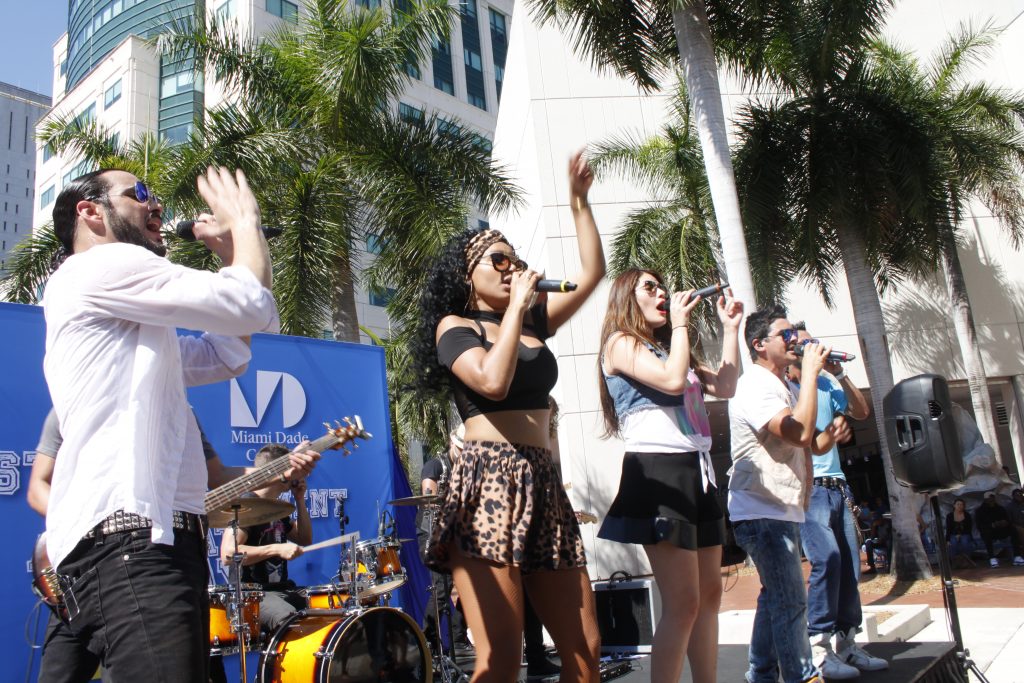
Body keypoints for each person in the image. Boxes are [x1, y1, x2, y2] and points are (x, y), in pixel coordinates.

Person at [38, 166, 317, 683]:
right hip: (132, 546)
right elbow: (249, 306)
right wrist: (245, 223)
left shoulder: (127, 323)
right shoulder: (100, 264)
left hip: (129, 546)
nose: (156, 205)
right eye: (139, 194)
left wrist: (230, 252)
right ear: (90, 211)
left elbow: (228, 351)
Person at [411, 150, 605, 682]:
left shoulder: (533, 323)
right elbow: (492, 382)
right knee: (499, 661)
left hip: (541, 478)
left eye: (515, 259)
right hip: (487, 479)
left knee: (585, 652)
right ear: (467, 276)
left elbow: (593, 275)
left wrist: (579, 202)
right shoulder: (456, 327)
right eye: (498, 260)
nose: (512, 267)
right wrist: (518, 307)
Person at [595, 270, 742, 683]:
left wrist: (730, 329)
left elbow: (726, 386)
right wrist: (680, 324)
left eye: (662, 286)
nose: (661, 292)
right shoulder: (620, 343)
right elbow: (673, 381)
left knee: (709, 597)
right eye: (650, 287)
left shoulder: (669, 348)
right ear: (628, 297)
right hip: (658, 474)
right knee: (684, 602)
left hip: (698, 473)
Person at [728, 305, 843, 683]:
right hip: (762, 511)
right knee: (792, 600)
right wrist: (810, 374)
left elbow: (813, 445)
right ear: (760, 345)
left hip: (783, 509)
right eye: (787, 335)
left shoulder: (786, 386)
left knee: (774, 596)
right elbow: (797, 433)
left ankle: (761, 672)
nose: (795, 341)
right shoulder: (755, 385)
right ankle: (802, 676)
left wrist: (833, 434)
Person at [785, 326, 885, 677]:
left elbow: (861, 411)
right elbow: (809, 443)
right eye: (803, 342)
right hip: (810, 489)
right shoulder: (787, 388)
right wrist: (829, 434)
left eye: (814, 341)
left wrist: (840, 373)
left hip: (838, 485)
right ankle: (819, 647)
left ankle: (848, 644)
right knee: (826, 560)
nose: (812, 347)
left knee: (850, 566)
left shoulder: (827, 383)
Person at [219, 444, 312, 633]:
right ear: (282, 472)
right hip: (251, 594)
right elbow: (228, 554)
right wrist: (275, 549)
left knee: (326, 608)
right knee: (289, 619)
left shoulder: (277, 507)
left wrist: (300, 499)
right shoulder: (246, 505)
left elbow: (304, 538)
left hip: (282, 588)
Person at [419, 426, 473, 655]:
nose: (463, 454)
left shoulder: (468, 470)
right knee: (440, 591)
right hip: (433, 531)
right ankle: (428, 643)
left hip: (458, 533)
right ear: (453, 443)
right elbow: (428, 500)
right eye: (461, 449)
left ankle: (460, 639)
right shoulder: (435, 466)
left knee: (469, 586)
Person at [974, 491, 1023, 567]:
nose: (991, 500)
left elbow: (1007, 520)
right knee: (987, 534)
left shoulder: (1000, 508)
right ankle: (992, 558)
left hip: (1000, 530)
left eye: (992, 498)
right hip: (988, 531)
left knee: (1013, 530)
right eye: (989, 498)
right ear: (985, 499)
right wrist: (992, 525)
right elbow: (979, 525)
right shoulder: (980, 511)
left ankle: (1017, 556)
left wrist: (1004, 522)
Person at [945, 497, 975, 568]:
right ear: (954, 505)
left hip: (965, 533)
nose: (959, 506)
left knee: (965, 542)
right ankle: (954, 562)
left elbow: (969, 528)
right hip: (953, 534)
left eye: (961, 504)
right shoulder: (949, 516)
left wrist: (960, 535)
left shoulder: (967, 515)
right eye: (958, 504)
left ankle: (967, 561)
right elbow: (948, 528)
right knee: (952, 543)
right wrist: (947, 539)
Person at [1008, 489, 1024, 563]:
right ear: (1013, 496)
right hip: (1016, 526)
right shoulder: (1010, 506)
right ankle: (1019, 555)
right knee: (1020, 531)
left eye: (1020, 494)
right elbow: (1009, 521)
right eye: (1017, 495)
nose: (1019, 496)